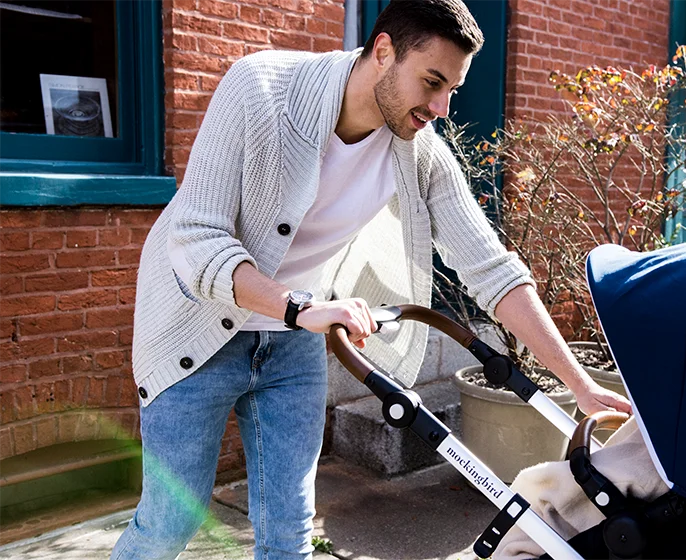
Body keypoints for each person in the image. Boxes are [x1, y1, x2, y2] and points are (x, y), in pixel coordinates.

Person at [112, 1, 631, 558]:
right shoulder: (260, 89)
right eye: (432, 82)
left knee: (289, 530)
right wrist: (298, 306)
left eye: (452, 89)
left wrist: (580, 385)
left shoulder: (419, 151)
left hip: (293, 344)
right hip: (196, 330)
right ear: (383, 50)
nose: (440, 107)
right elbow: (196, 236)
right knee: (171, 521)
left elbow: (492, 268)